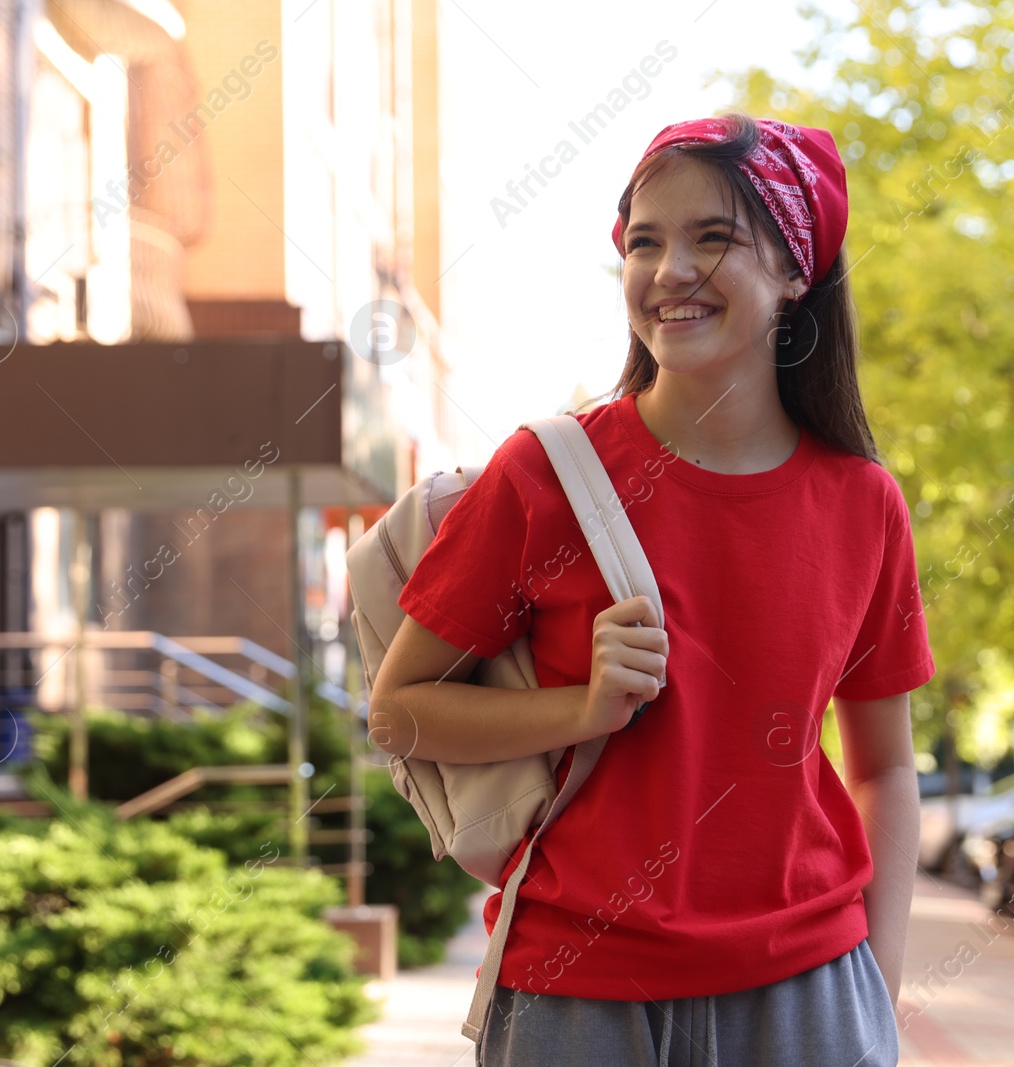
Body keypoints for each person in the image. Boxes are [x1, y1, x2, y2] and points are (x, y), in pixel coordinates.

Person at [369, 109, 934, 1067]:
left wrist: (873, 990)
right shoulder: (545, 475)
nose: (670, 270)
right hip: (579, 991)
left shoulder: (862, 503)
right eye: (645, 241)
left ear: (797, 272)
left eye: (714, 238)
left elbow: (881, 768)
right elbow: (400, 713)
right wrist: (581, 708)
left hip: (808, 992)